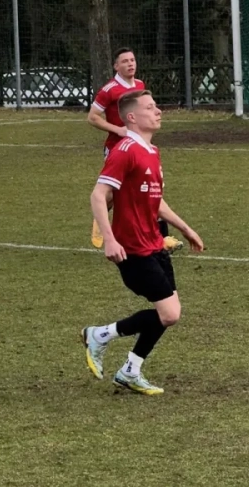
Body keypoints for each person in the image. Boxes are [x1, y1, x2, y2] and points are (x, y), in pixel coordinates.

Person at [81, 89, 204, 395]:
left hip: (155, 243)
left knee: (168, 313)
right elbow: (98, 195)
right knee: (169, 314)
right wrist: (109, 239)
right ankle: (100, 335)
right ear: (132, 117)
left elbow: (155, 200)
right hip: (132, 248)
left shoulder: (151, 151)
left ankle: (130, 370)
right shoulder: (125, 150)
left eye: (156, 105)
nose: (158, 111)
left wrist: (185, 228)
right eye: (150, 107)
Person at [86, 48, 180, 252]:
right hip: (117, 149)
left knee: (147, 190)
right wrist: (118, 130)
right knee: (115, 192)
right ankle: (101, 218)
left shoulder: (139, 85)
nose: (130, 64)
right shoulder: (109, 90)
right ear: (116, 66)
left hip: (140, 148)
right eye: (125, 61)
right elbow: (92, 117)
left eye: (132, 60)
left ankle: (160, 237)